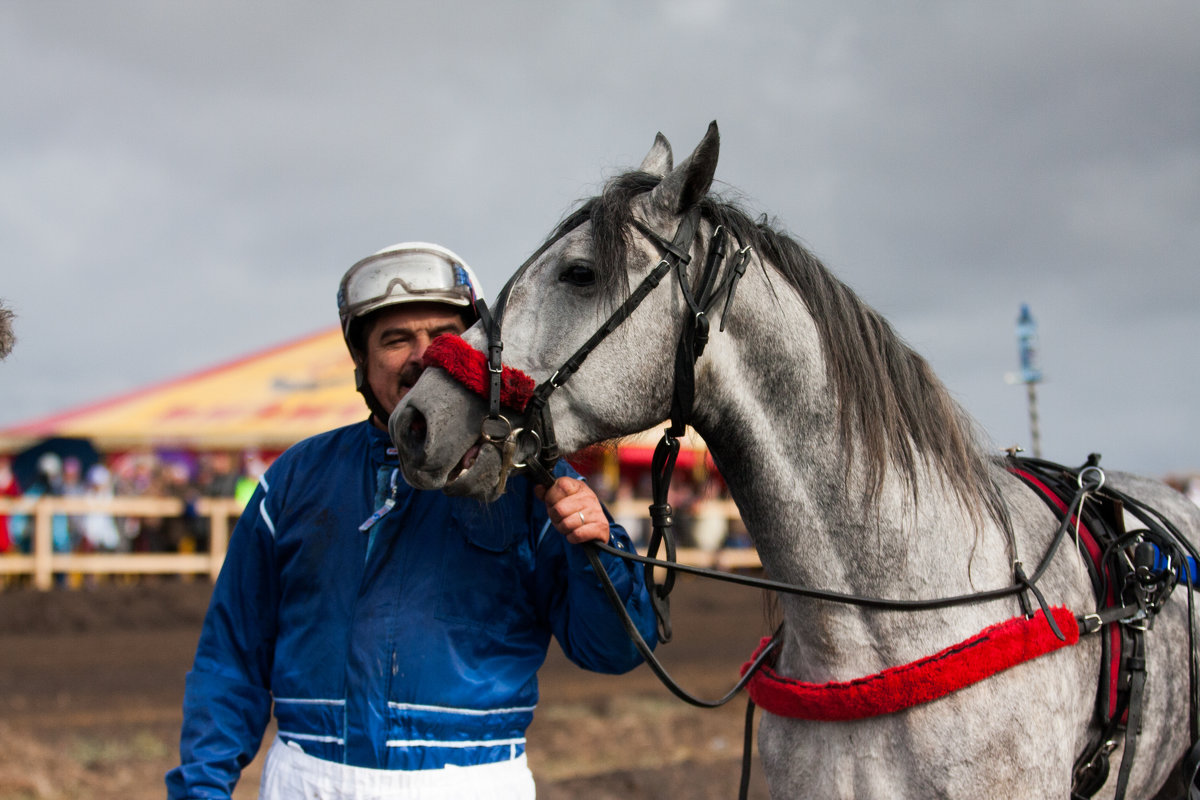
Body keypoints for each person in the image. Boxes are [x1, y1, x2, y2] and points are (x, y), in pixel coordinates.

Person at [167, 242, 658, 800]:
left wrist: (596, 549)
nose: (424, 356)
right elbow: (231, 657)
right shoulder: (295, 478)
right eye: (395, 339)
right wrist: (201, 789)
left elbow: (614, 651)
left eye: (445, 337)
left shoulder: (533, 478)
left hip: (470, 781)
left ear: (477, 349)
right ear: (361, 362)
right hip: (307, 780)